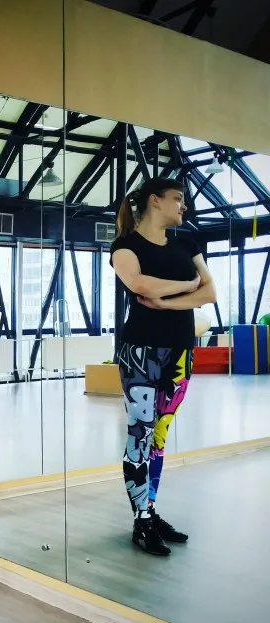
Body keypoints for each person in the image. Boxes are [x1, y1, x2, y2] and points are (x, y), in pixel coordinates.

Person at [111, 177, 216, 556]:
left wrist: (169, 302)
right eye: (178, 198)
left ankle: (149, 510)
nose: (183, 206)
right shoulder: (125, 247)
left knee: (158, 435)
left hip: (180, 350)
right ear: (155, 201)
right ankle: (141, 520)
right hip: (141, 350)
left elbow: (210, 292)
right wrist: (187, 285)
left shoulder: (187, 244)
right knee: (139, 433)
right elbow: (141, 285)